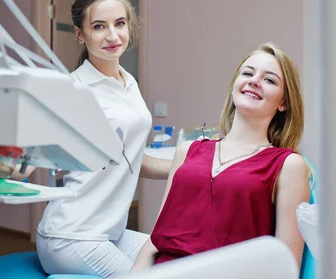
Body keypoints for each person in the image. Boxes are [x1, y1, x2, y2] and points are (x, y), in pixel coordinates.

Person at [30, 0, 172, 277]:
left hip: (110, 232)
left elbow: (131, 157)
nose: (112, 35)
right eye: (98, 26)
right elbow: (26, 163)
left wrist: (192, 166)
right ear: (81, 34)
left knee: (178, 259)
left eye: (119, 24)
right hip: (72, 236)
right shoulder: (72, 90)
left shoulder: (128, 82)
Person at [132, 42, 311, 270]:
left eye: (269, 80)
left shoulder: (288, 164)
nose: (254, 81)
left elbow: (287, 266)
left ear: (284, 102)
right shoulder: (187, 151)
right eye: (247, 73)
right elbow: (155, 241)